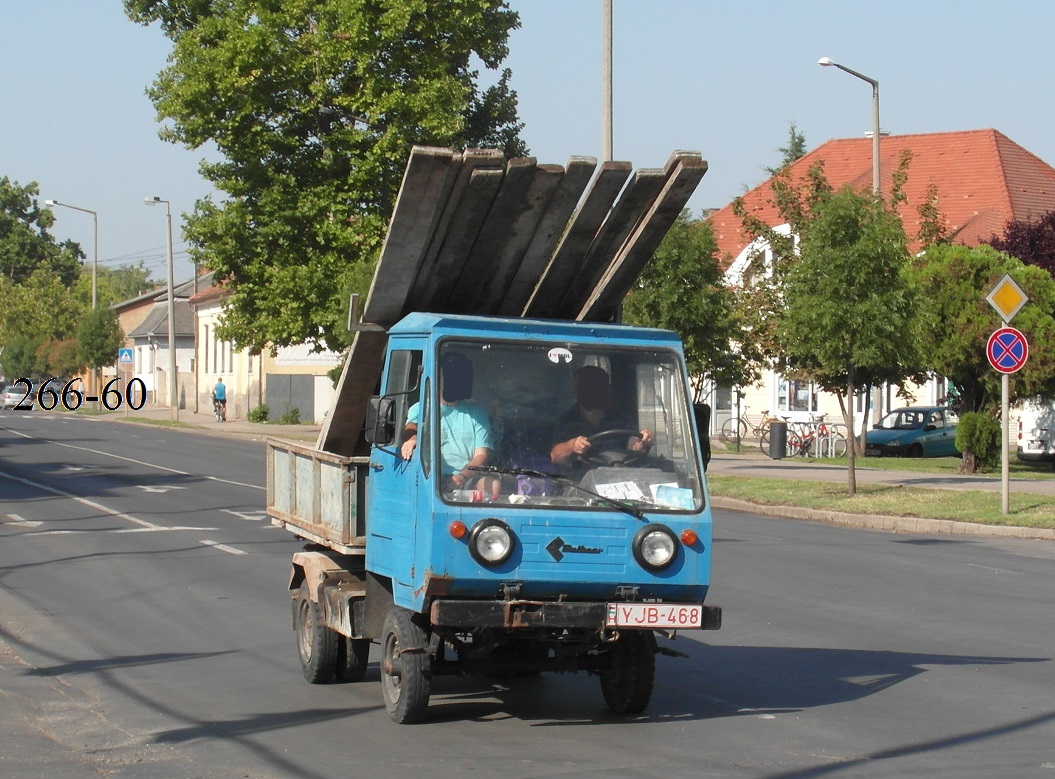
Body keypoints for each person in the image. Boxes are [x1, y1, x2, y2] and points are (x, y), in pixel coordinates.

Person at [400, 352, 497, 497]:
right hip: (429, 476)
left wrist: (461, 477)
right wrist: (412, 439)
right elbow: (411, 426)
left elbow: (481, 455)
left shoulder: (477, 413)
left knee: (493, 485)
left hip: (466, 477)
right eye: (450, 375)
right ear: (437, 377)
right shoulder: (421, 408)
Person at [550, 365, 653, 471]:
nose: (593, 392)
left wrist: (642, 441)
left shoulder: (622, 419)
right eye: (587, 387)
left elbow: (633, 446)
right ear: (576, 391)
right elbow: (555, 455)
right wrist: (572, 445)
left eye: (598, 387)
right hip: (578, 482)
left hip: (619, 476)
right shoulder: (567, 420)